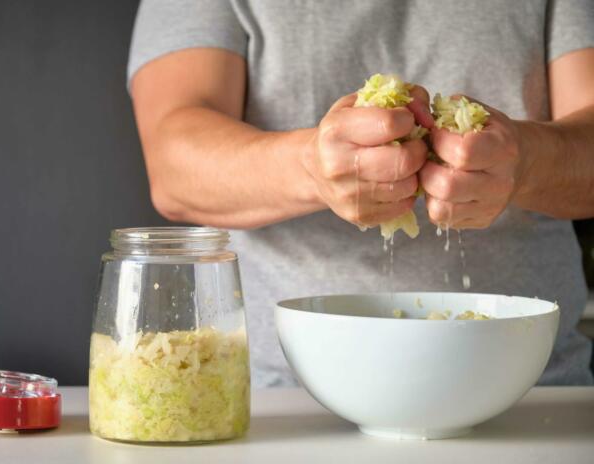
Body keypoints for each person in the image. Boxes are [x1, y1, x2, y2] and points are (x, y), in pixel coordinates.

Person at [127, 0, 594, 387]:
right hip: (284, 395)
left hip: (533, 387)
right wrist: (312, 165)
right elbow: (173, 162)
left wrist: (525, 159)